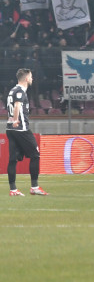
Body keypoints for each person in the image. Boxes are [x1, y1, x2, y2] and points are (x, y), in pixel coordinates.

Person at [6, 68, 48, 196]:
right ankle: (34, 187)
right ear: (26, 78)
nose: (32, 78)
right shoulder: (20, 91)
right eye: (31, 76)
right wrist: (16, 120)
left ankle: (13, 189)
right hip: (21, 129)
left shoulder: (12, 90)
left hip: (10, 129)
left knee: (13, 159)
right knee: (35, 155)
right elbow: (17, 105)